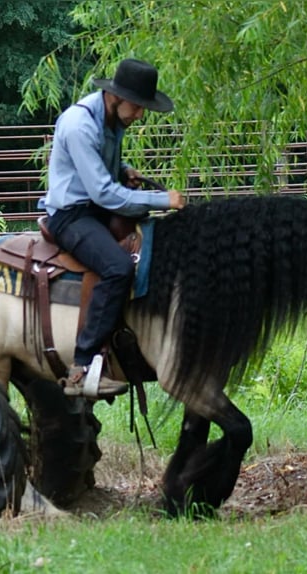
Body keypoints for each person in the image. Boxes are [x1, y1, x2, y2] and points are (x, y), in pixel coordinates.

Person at [39, 58, 186, 398]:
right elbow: (102, 191)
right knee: (118, 268)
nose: (140, 115)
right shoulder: (79, 125)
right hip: (72, 215)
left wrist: (124, 169)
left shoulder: (111, 119)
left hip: (97, 208)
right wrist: (162, 200)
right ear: (116, 97)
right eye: (138, 106)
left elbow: (102, 167)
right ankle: (82, 365)